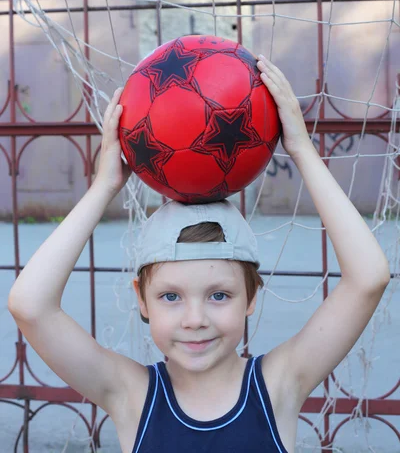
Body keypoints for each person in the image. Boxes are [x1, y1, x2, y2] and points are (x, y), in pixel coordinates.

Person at [7, 56, 390, 453]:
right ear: (141, 298)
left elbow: (368, 278)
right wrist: (103, 188)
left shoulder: (278, 386)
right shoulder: (132, 396)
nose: (195, 320)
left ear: (252, 297)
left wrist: (301, 149)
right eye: (170, 296)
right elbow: (29, 306)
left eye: (219, 295)